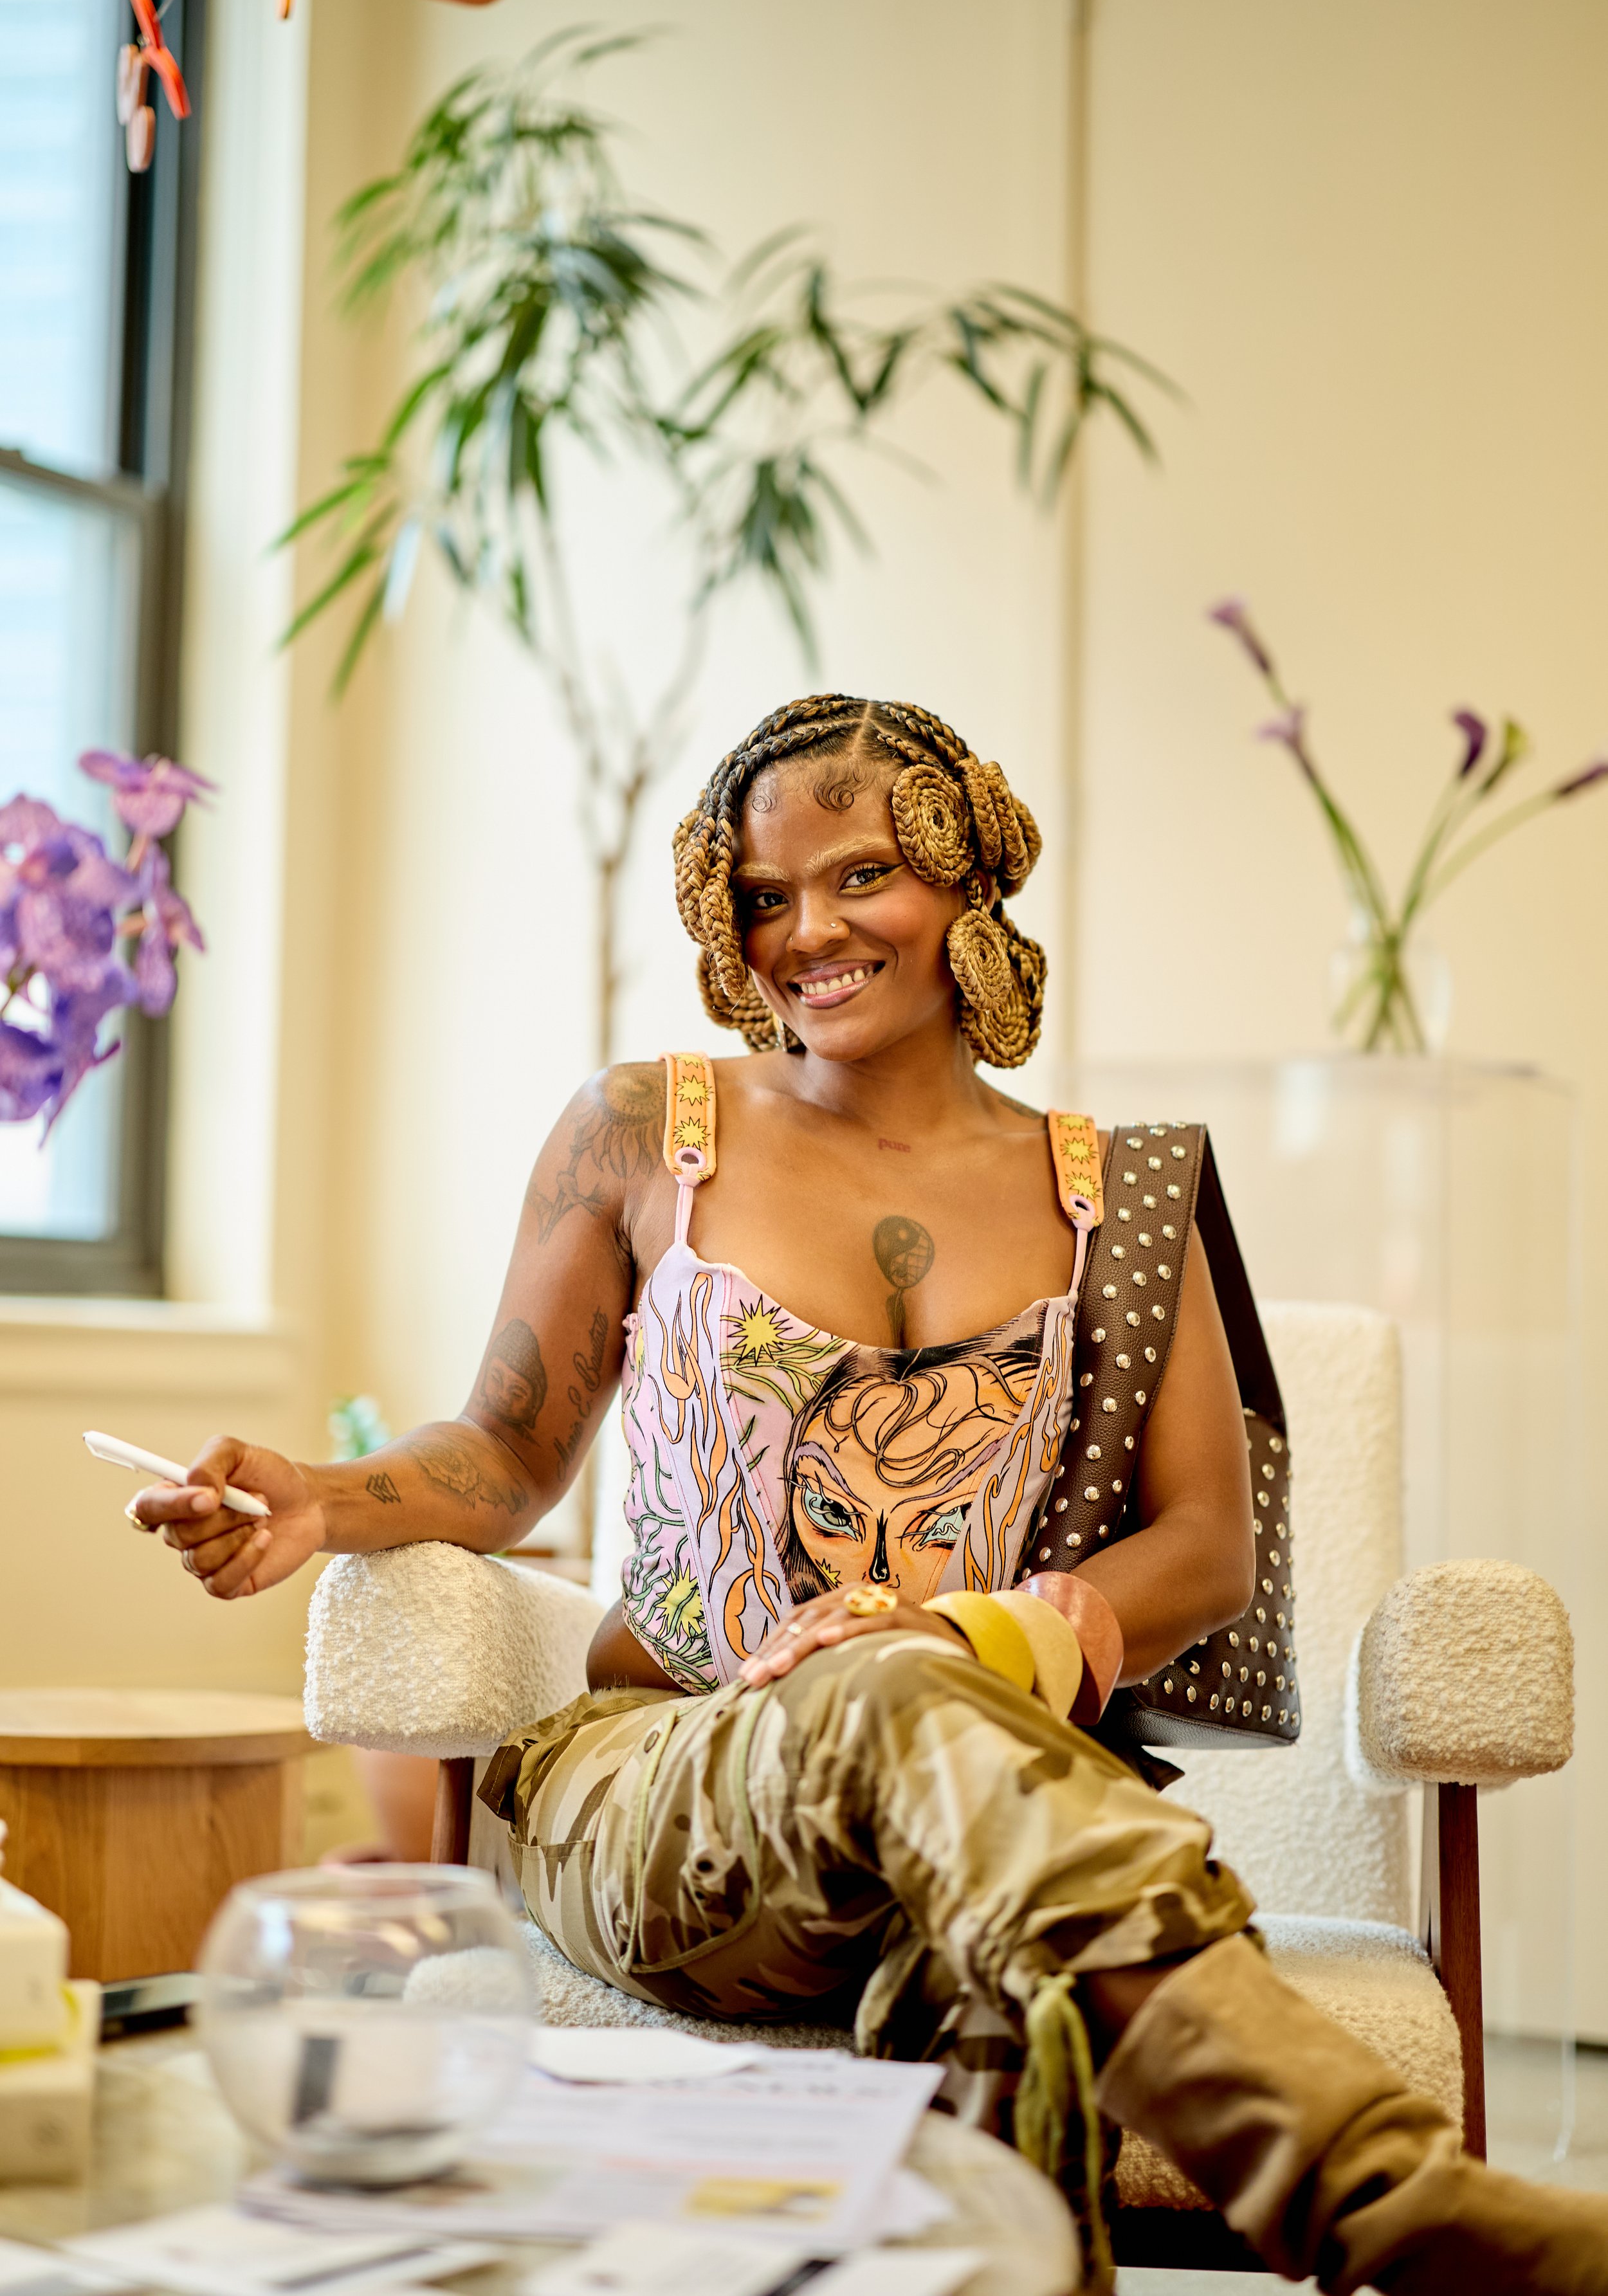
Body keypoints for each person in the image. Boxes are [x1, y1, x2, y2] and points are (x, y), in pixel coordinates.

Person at [135, 695, 1607, 2293]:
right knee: (929, 1727)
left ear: (966, 883)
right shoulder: (644, 1130)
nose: (805, 934)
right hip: (660, 1788)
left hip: (975, 1796)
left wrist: (987, 1640)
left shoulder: (1120, 1188)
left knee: (943, 1768)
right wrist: (314, 1496)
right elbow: (502, 1453)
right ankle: (1403, 2219)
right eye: (764, 897)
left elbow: (1204, 1545)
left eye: (858, 879)